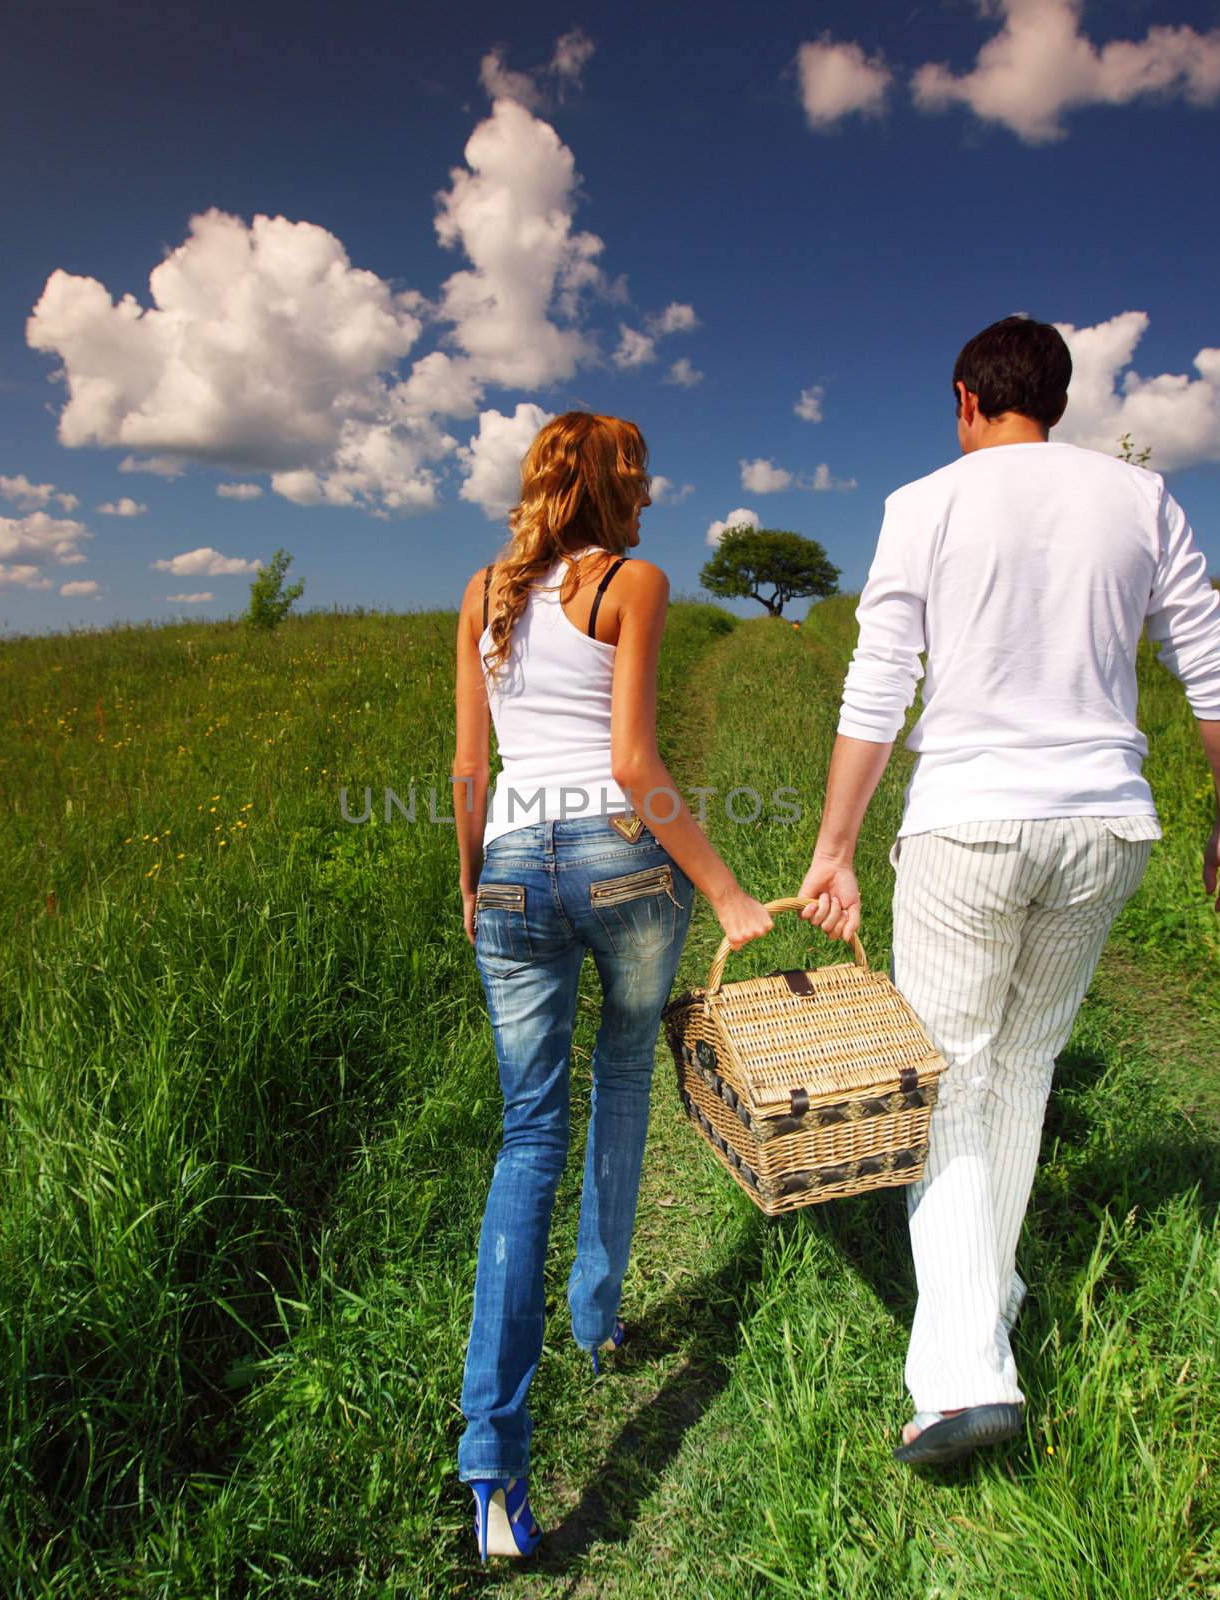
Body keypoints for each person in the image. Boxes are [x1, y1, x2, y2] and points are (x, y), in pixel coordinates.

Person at [796, 316, 1220, 1467]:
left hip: (965, 823)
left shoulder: (923, 504)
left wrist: (835, 844)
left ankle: (961, 1382)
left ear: (965, 400)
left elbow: (879, 684)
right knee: (1018, 1067)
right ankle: (985, 1300)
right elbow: (1212, 665)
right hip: (1105, 824)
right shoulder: (1135, 498)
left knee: (949, 1080)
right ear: (1055, 398)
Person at [451, 411, 773, 1558]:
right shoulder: (633, 582)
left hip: (512, 875)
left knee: (526, 1134)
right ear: (618, 485)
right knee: (625, 1072)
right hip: (620, 860)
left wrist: (471, 878)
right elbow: (633, 763)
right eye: (641, 475)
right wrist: (730, 895)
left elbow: (468, 767)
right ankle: (596, 1318)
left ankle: (491, 1468)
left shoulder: (484, 591)